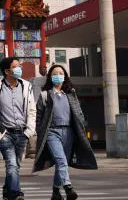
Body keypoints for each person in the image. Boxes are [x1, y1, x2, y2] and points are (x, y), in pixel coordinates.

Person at [32, 65, 97, 200]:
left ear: (65, 76)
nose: (58, 76)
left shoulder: (70, 94)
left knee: (63, 164)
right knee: (61, 160)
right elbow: (38, 117)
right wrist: (40, 132)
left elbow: (78, 113)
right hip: (52, 133)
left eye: (60, 73)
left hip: (69, 132)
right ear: (50, 77)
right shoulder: (45, 95)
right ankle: (68, 188)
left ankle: (56, 191)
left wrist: (81, 130)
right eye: (55, 73)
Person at [0, 57, 36, 200]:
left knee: (15, 166)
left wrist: (29, 131)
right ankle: (16, 193)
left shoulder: (26, 86)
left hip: (22, 133)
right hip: (5, 133)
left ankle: (7, 190)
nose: (20, 69)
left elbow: (32, 110)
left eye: (20, 66)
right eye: (16, 66)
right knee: (11, 164)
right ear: (7, 71)